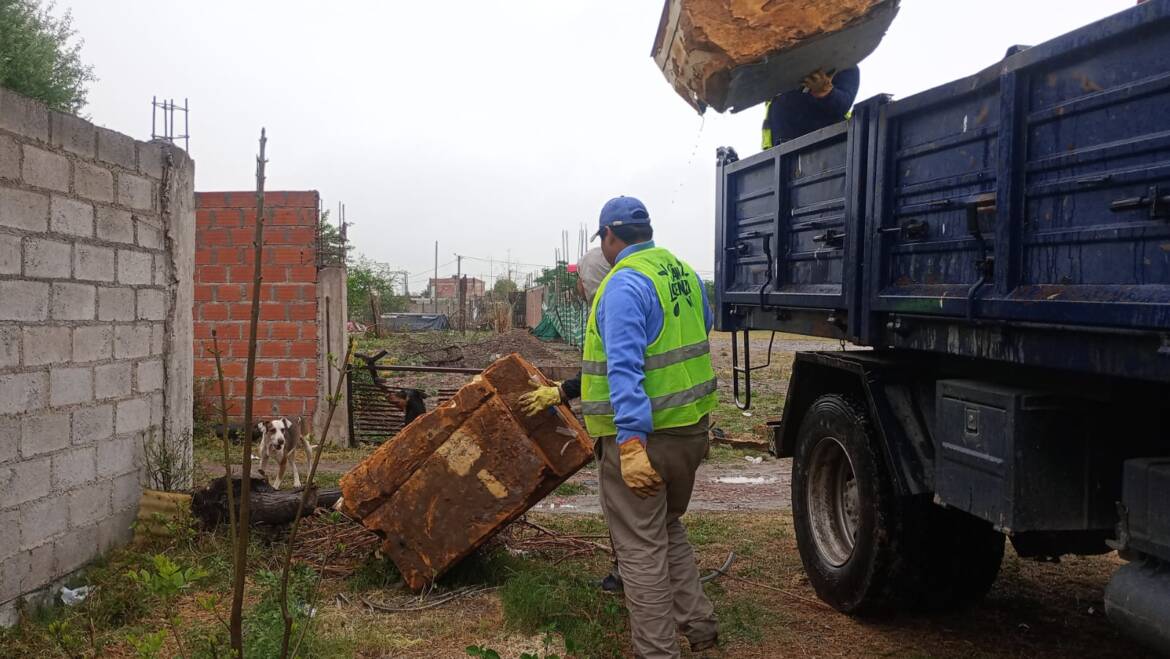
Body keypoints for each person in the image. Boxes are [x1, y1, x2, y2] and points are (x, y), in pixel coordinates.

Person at [586, 195, 719, 657]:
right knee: (666, 525)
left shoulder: (624, 283)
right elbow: (699, 335)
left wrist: (630, 443)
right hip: (690, 432)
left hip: (647, 439)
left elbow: (625, 370)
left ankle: (658, 652)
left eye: (601, 238)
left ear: (610, 235)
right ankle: (700, 625)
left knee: (639, 549)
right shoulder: (683, 272)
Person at [519, 247, 627, 592]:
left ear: (590, 279)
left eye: (580, 278)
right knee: (652, 516)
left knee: (626, 511)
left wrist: (564, 391)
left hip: (624, 426)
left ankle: (631, 577)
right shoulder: (617, 302)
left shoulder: (612, 308)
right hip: (655, 423)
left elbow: (614, 367)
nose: (577, 287)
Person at [762, 66, 860, 149]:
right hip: (780, 153)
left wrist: (825, 92)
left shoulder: (844, 64)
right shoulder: (784, 70)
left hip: (826, 149)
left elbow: (842, 105)